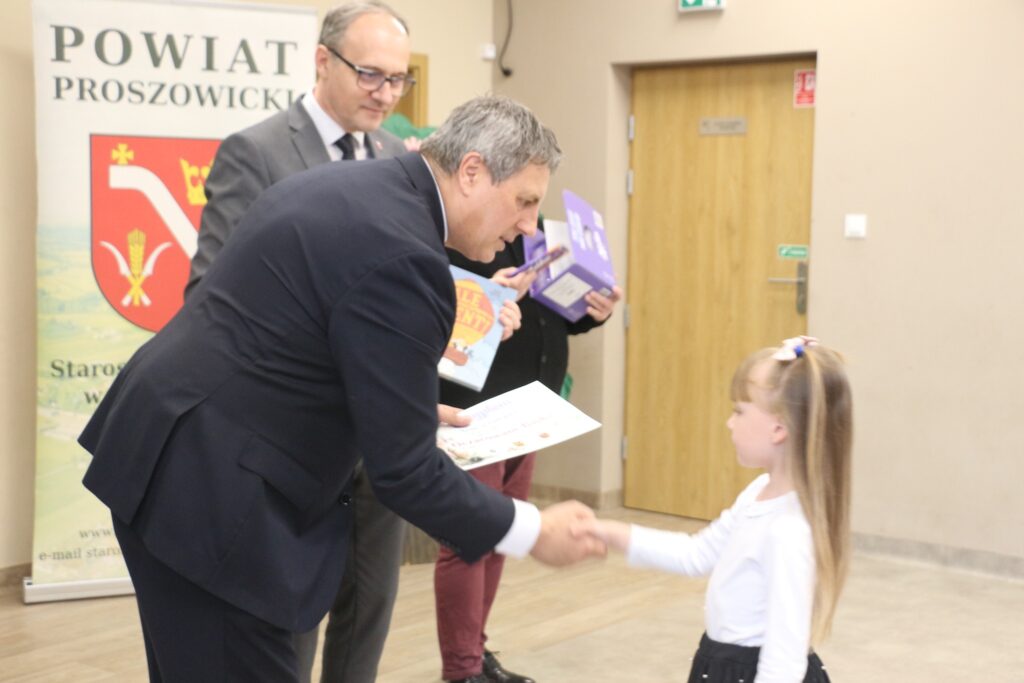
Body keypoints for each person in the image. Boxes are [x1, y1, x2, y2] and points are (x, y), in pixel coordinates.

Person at [78, 95, 606, 683]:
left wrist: (399, 405)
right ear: (473, 171)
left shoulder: (357, 188)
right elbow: (405, 474)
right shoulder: (407, 257)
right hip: (215, 494)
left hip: (170, 452)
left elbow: (299, 339)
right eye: (525, 202)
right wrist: (532, 530)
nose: (529, 226)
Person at [183, 4, 484, 681]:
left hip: (379, 440)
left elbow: (401, 289)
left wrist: (483, 312)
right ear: (323, 61)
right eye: (370, 74)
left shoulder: (398, 159)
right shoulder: (257, 152)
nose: (386, 93)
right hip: (297, 440)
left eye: (398, 79)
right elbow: (211, 298)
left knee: (370, 604)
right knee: (293, 612)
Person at [588, 336, 852, 683]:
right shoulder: (758, 492)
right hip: (722, 663)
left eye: (739, 411)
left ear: (779, 428)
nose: (730, 422)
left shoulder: (788, 530)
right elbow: (697, 554)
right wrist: (613, 534)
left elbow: (784, 662)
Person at [434, 233, 622, 683]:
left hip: (528, 408)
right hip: (476, 411)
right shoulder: (461, 231)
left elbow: (547, 316)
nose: (528, 215)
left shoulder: (534, 235)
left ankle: (475, 652)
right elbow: (445, 318)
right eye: (525, 201)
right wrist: (492, 294)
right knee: (469, 539)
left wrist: (590, 312)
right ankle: (462, 668)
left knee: (502, 534)